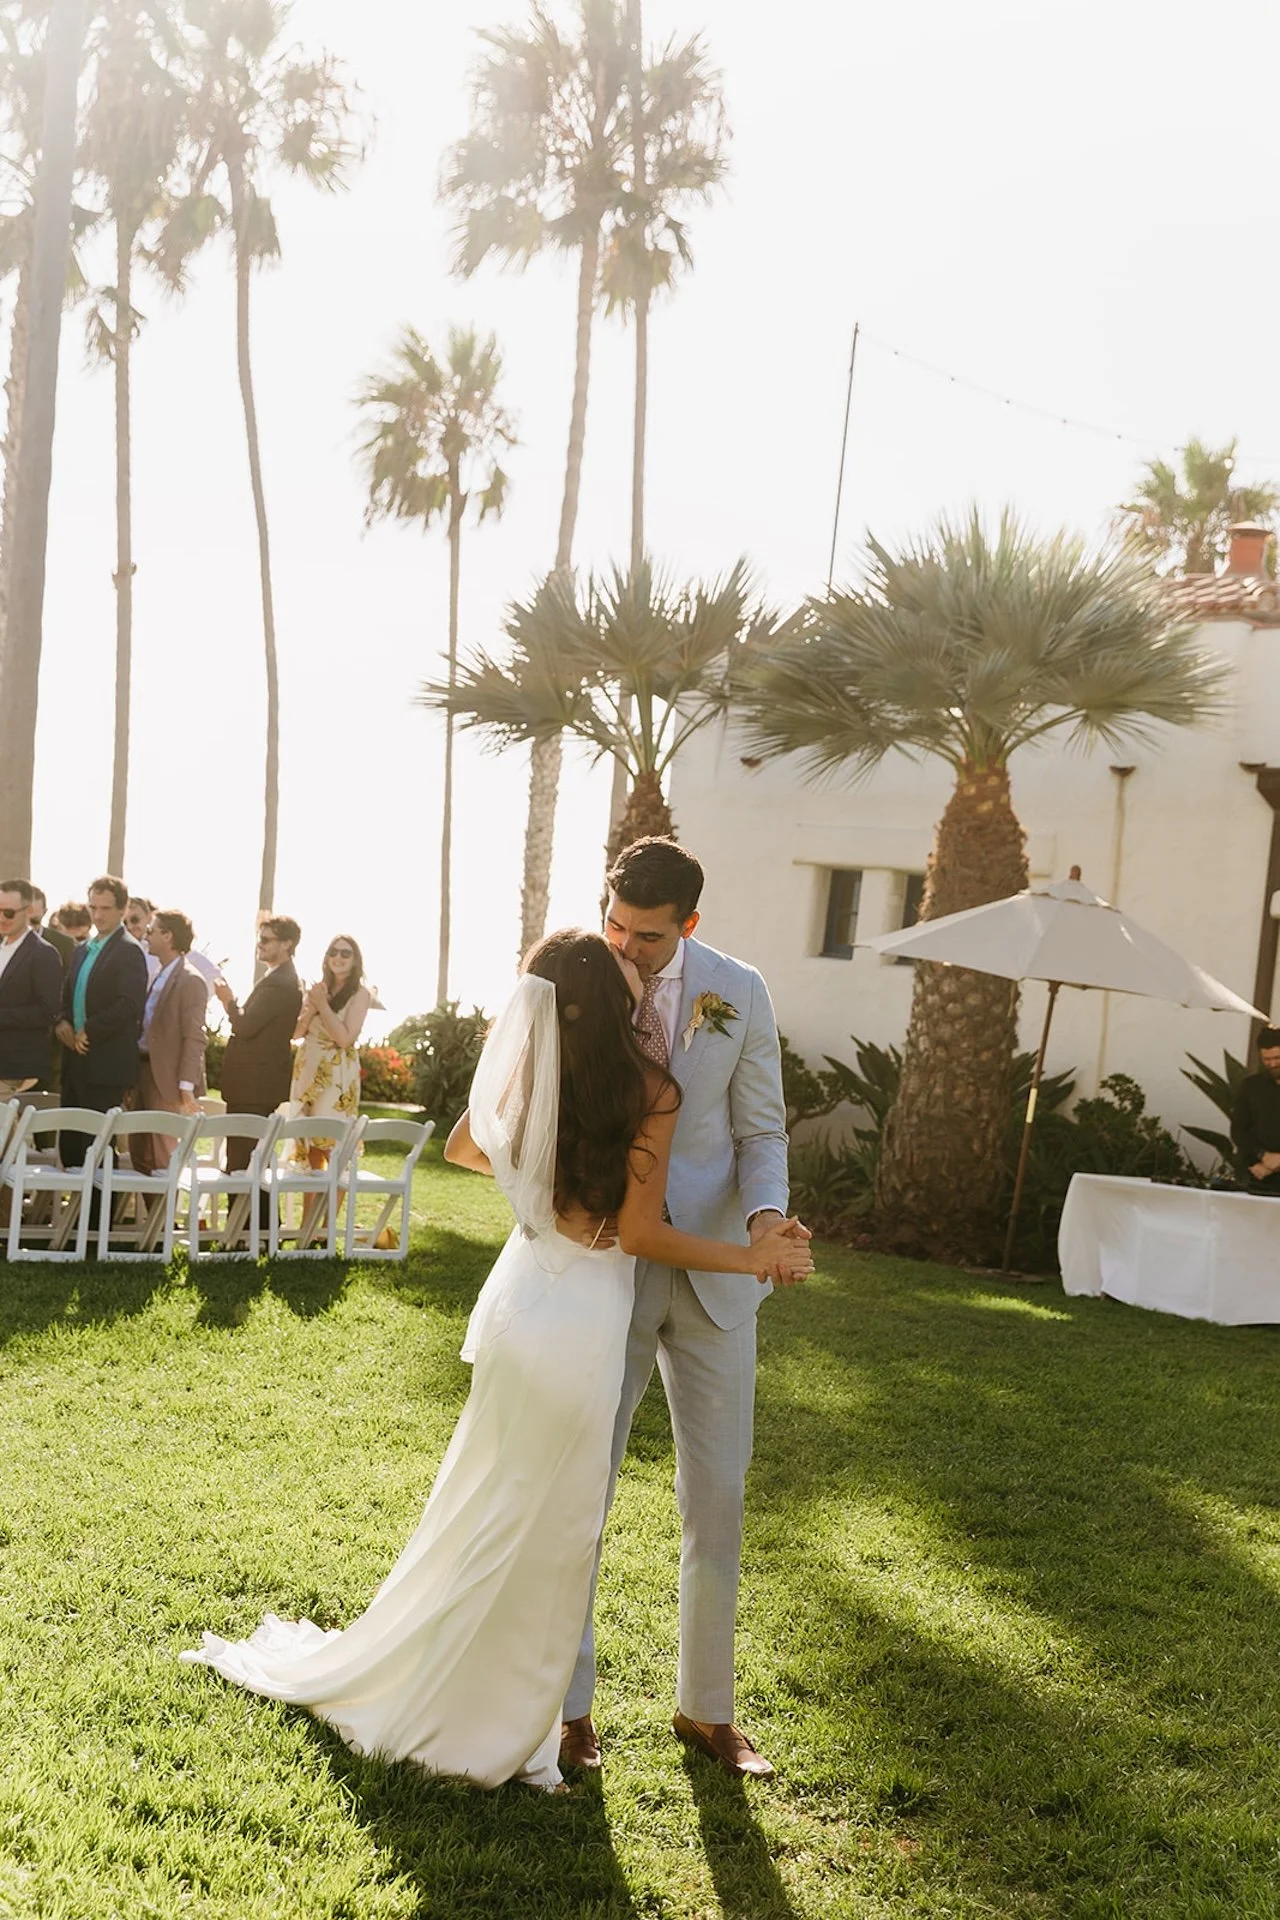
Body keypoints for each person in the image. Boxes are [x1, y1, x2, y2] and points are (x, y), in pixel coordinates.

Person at [180, 930, 812, 1790]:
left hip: (525, 1301)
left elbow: (467, 1149)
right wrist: (751, 1257)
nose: (637, 959)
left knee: (486, 1502)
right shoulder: (650, 1088)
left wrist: (539, 1195)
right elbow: (636, 1233)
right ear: (607, 992)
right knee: (551, 1521)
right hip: (586, 1317)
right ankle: (522, 1712)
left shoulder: (541, 1072)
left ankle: (471, 1685)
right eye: (623, 955)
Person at [562, 836, 800, 1781]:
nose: (625, 947)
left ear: (689, 926)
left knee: (720, 1495)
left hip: (718, 1272)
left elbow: (761, 1127)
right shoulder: (578, 975)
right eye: (615, 923)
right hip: (604, 1270)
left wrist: (769, 1222)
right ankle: (571, 1708)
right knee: (585, 1487)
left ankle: (707, 1710)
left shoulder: (740, 989)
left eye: (648, 937)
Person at [53, 876, 148, 1166]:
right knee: (69, 1147)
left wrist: (88, 1030)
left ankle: (98, 1213)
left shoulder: (129, 950)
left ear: (122, 909)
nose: (97, 915)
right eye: (93, 907)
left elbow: (130, 1005)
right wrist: (62, 1023)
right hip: (75, 1063)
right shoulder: (82, 949)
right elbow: (67, 994)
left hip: (106, 1065)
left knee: (97, 1150)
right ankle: (74, 1212)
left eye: (105, 908)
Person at [214, 917, 302, 1173]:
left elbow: (246, 1026)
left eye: (266, 939)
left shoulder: (280, 983)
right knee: (252, 1166)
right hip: (254, 1085)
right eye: (259, 938)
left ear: (287, 944)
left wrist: (228, 1002)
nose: (259, 945)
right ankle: (256, 1215)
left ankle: (247, 1215)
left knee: (242, 1167)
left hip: (254, 1087)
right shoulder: (278, 978)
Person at [133, 911, 208, 1174]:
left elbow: (195, 1036)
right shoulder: (160, 973)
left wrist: (186, 1085)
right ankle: (154, 1216)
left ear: (168, 936)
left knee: (162, 1158)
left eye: (152, 931)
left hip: (165, 1079)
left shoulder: (191, 980)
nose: (146, 936)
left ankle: (165, 1215)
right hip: (142, 1071)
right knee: (140, 1153)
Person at [289, 935, 371, 1168]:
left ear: (355, 961)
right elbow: (296, 1033)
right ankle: (312, 1206)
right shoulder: (318, 989)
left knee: (333, 1144)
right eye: (333, 952)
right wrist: (310, 1007)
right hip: (307, 1068)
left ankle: (332, 1204)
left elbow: (344, 1039)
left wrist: (322, 1006)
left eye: (346, 953)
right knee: (309, 1142)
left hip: (336, 1075)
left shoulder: (360, 994)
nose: (338, 957)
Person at [0, 879, 63, 1096]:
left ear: (28, 911)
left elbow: (48, 1012)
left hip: (15, 1069)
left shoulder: (43, 953)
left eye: (8, 913)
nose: (1, 918)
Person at [1232, 1026, 1280, 1193]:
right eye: (1266, 1059)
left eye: (1277, 1058)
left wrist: (1277, 1162)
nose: (1272, 1064)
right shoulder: (1251, 1086)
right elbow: (1238, 1130)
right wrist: (1262, 1157)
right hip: (1257, 1176)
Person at [29, 888, 74, 970]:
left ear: (44, 912)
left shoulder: (64, 944)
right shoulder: (4, 942)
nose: (28, 926)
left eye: (34, 921)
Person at [126, 898, 160, 983]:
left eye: (135, 920)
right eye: (124, 923)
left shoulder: (162, 951)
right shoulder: (116, 952)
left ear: (149, 917)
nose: (129, 927)